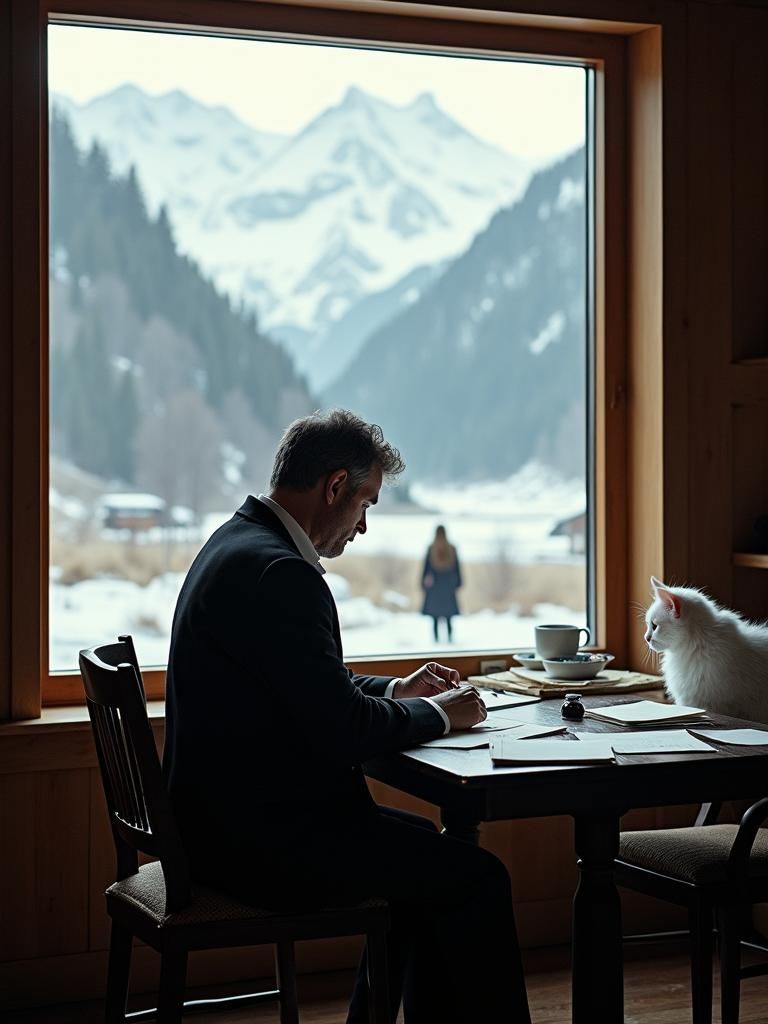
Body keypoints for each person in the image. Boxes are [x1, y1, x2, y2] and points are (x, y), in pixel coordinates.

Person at [163, 409, 530, 1024]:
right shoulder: (285, 574)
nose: (362, 526)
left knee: (425, 853)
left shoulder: (238, 542)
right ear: (334, 487)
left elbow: (302, 684)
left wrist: (395, 688)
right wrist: (437, 714)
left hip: (214, 827)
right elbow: (342, 731)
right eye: (366, 504)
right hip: (257, 847)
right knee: (477, 878)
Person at [421, 524, 462, 643]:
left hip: (435, 586)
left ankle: (437, 641)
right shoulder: (452, 548)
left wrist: (423, 583)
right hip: (448, 585)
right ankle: (449, 639)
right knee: (448, 615)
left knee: (435, 615)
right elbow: (457, 568)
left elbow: (426, 569)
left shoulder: (431, 548)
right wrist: (458, 582)